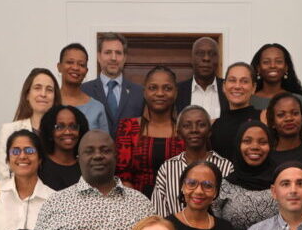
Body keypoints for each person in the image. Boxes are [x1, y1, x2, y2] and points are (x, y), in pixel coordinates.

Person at [115, 66, 186, 197]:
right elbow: (122, 175)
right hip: (137, 203)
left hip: (179, 203)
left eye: (167, 88)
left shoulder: (186, 129)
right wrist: (138, 204)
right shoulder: (128, 127)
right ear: (144, 92)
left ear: (176, 92)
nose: (160, 93)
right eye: (153, 88)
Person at [152, 105, 234, 217]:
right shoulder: (167, 169)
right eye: (187, 126)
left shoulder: (226, 167)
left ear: (210, 131)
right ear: (179, 133)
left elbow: (229, 212)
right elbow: (158, 214)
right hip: (173, 228)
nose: (194, 130)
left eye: (201, 125)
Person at [211, 120, 279, 230]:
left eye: (262, 142)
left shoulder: (284, 183)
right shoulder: (223, 186)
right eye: (247, 141)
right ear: (238, 145)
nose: (255, 147)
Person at [0, 68, 61, 178]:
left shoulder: (64, 132)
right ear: (27, 95)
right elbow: (5, 175)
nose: (43, 94)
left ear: (55, 97)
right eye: (37, 88)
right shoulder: (9, 130)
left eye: (49, 90)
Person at [82, 32, 144, 136]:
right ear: (98, 56)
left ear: (124, 58)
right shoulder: (84, 90)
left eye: (118, 53)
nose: (113, 58)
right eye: (108, 52)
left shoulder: (139, 93)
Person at [210, 62, 261, 160]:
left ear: (253, 88)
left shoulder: (264, 118)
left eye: (244, 81)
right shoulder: (213, 124)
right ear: (224, 86)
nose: (237, 86)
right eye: (232, 80)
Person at [57, 43, 109, 134]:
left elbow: (104, 141)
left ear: (86, 71)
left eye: (81, 65)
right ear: (59, 67)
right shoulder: (48, 103)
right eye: (70, 62)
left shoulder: (97, 108)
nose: (75, 67)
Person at [38, 104, 89, 191]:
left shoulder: (87, 167)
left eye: (73, 126)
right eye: (60, 127)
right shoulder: (40, 165)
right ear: (50, 131)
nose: (67, 132)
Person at [175, 37, 228, 119]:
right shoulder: (177, 91)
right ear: (191, 59)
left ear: (218, 59)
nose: (206, 58)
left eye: (212, 54)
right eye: (200, 53)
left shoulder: (229, 89)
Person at [250, 44, 302, 111]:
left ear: (286, 67)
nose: (272, 66)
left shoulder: (298, 100)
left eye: (279, 61)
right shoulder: (247, 100)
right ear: (258, 68)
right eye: (266, 62)